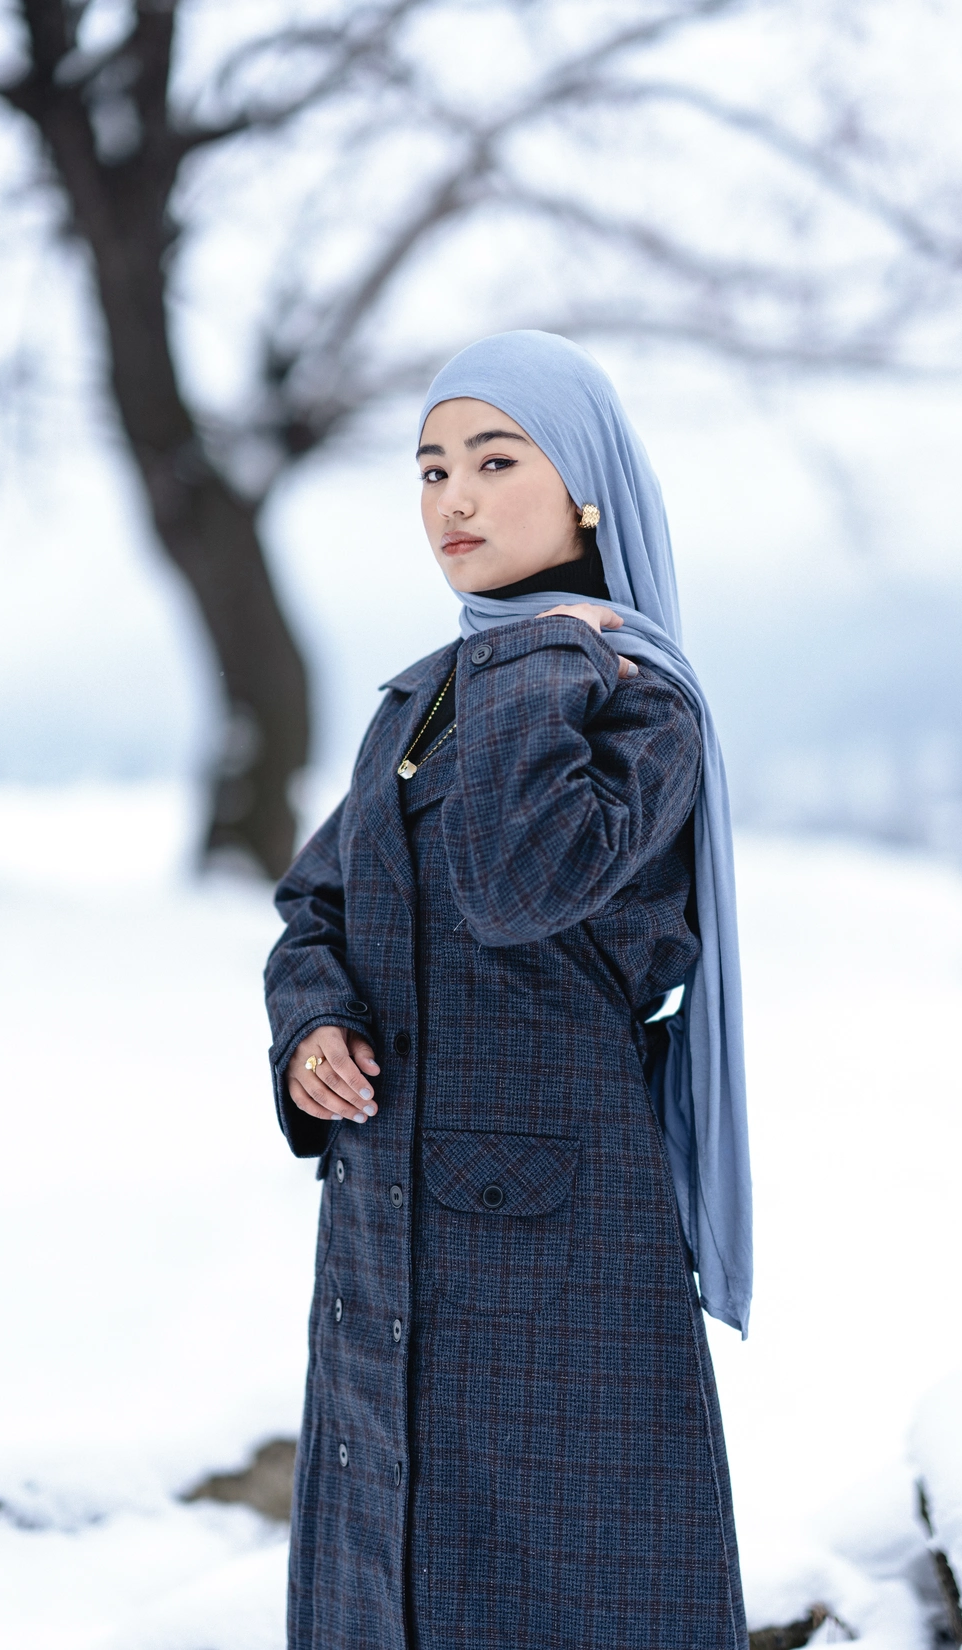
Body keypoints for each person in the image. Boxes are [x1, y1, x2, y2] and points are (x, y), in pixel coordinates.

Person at [264, 330, 753, 1650]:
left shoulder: (638, 703)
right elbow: (320, 904)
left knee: (563, 1586)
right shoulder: (421, 704)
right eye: (431, 469)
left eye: (494, 461)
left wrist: (537, 655)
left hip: (558, 1238)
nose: (454, 501)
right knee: (387, 1580)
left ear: (585, 490)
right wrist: (312, 1023)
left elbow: (518, 882)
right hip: (387, 1224)